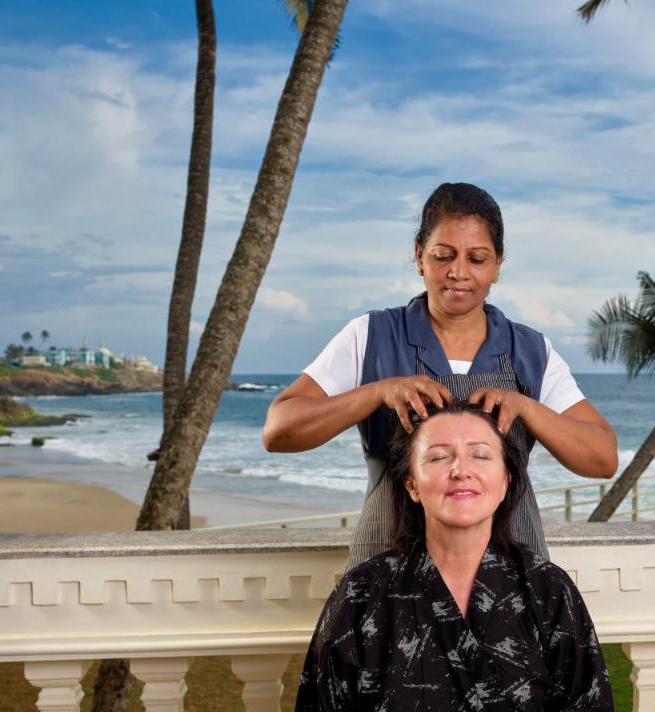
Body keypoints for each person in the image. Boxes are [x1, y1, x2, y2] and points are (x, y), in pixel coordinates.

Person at [289, 401, 635, 712]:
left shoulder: (548, 591)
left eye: (480, 455)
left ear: (507, 480)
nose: (460, 470)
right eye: (438, 457)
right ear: (410, 484)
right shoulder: (363, 595)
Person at [262, 182, 618, 569]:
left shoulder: (530, 351)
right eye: (443, 255)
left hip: (509, 580)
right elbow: (279, 430)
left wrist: (527, 407)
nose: (458, 272)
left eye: (477, 259)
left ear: (498, 265)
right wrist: (378, 392)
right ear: (419, 257)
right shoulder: (371, 336)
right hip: (389, 572)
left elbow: (602, 459)